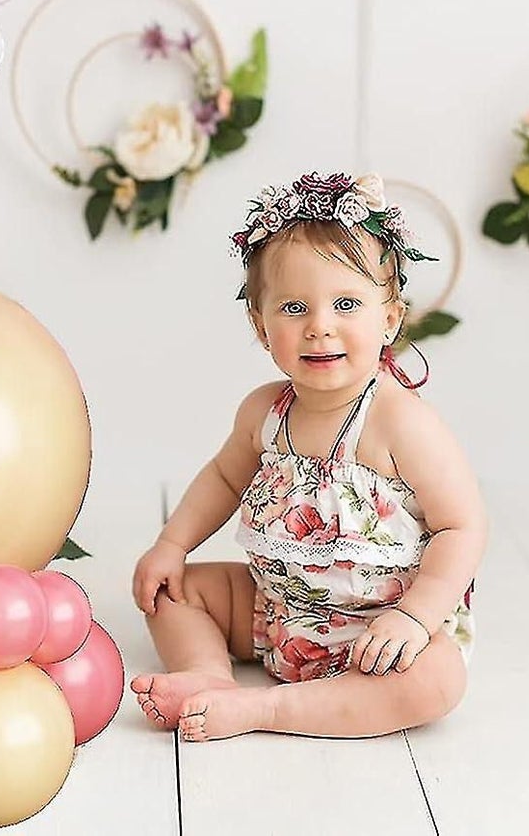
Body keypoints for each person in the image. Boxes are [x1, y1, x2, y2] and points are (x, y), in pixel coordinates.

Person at [131, 171, 485, 742]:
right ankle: (207, 676)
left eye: (346, 303)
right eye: (295, 308)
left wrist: (416, 617)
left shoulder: (398, 421)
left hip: (379, 632)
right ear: (261, 327)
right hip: (274, 614)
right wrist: (172, 545)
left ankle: (264, 711)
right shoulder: (264, 413)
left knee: (439, 681)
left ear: (389, 319)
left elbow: (461, 525)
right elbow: (223, 478)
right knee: (172, 593)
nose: (321, 327)